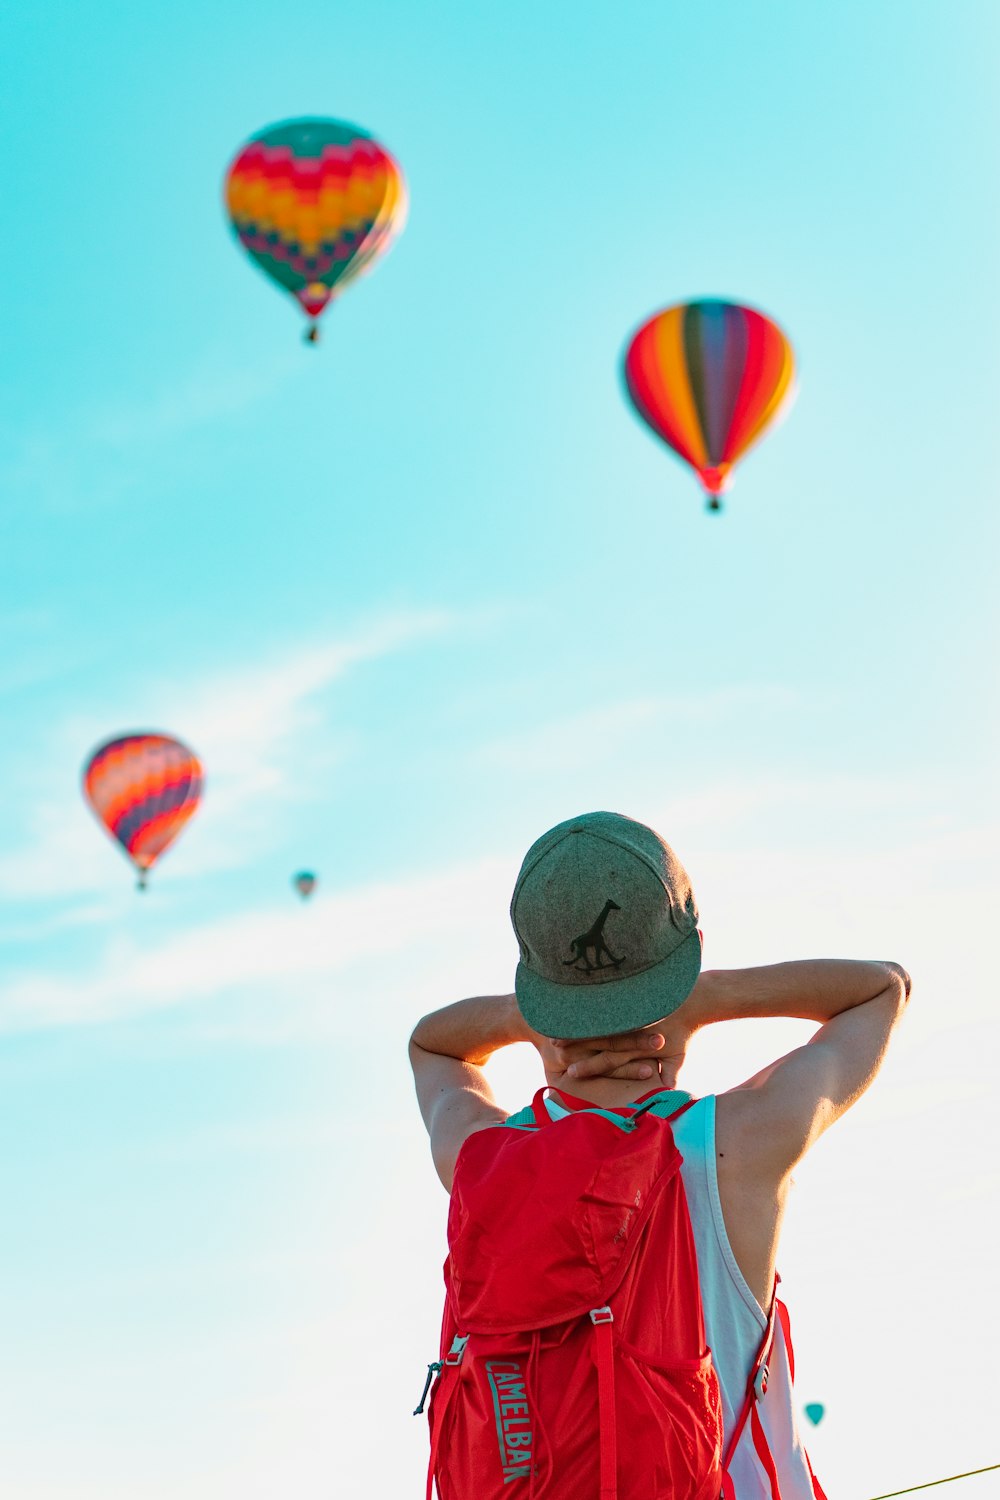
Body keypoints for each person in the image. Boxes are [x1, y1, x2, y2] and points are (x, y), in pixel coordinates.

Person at [409, 811, 910, 1498]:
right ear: (689, 960)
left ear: (536, 993)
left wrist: (521, 1019)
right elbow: (883, 989)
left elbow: (432, 1046)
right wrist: (710, 998)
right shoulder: (741, 1140)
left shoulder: (478, 1157)